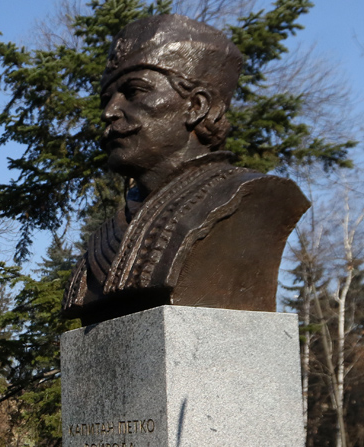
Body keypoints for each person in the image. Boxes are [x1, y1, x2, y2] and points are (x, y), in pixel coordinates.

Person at [62, 14, 309, 325]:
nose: (110, 112)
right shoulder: (106, 236)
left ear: (197, 106)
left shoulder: (249, 197)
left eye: (135, 92)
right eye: (106, 98)